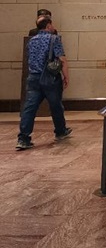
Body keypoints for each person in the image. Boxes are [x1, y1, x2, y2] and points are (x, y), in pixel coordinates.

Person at [16, 16, 71, 150]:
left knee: (29, 108)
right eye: (52, 25)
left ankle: (23, 138)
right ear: (48, 26)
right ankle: (60, 131)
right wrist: (66, 76)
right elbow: (62, 60)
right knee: (56, 105)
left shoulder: (32, 41)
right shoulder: (54, 39)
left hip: (33, 78)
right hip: (50, 78)